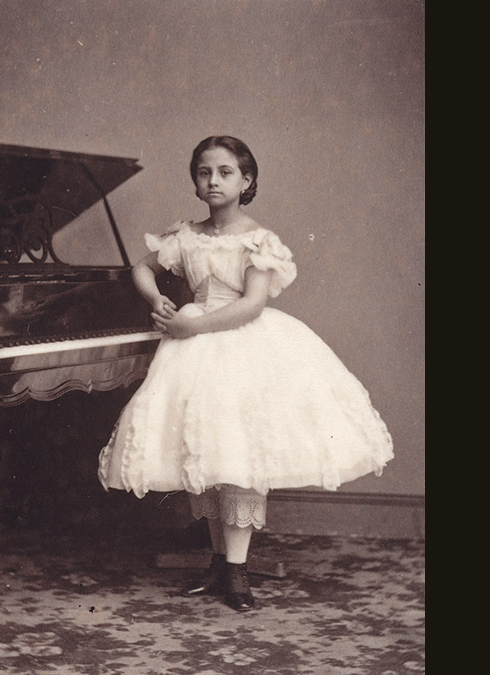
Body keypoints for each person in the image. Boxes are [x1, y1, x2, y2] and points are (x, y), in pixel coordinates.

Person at [98, 135, 394, 612]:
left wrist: (189, 326)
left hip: (241, 344)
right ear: (195, 182)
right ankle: (219, 565)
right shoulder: (186, 235)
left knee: (239, 452)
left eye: (225, 172)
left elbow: (252, 306)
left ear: (246, 180)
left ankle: (237, 571)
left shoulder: (259, 240)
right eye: (203, 172)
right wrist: (159, 301)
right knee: (210, 453)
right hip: (191, 349)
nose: (213, 181)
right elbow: (142, 267)